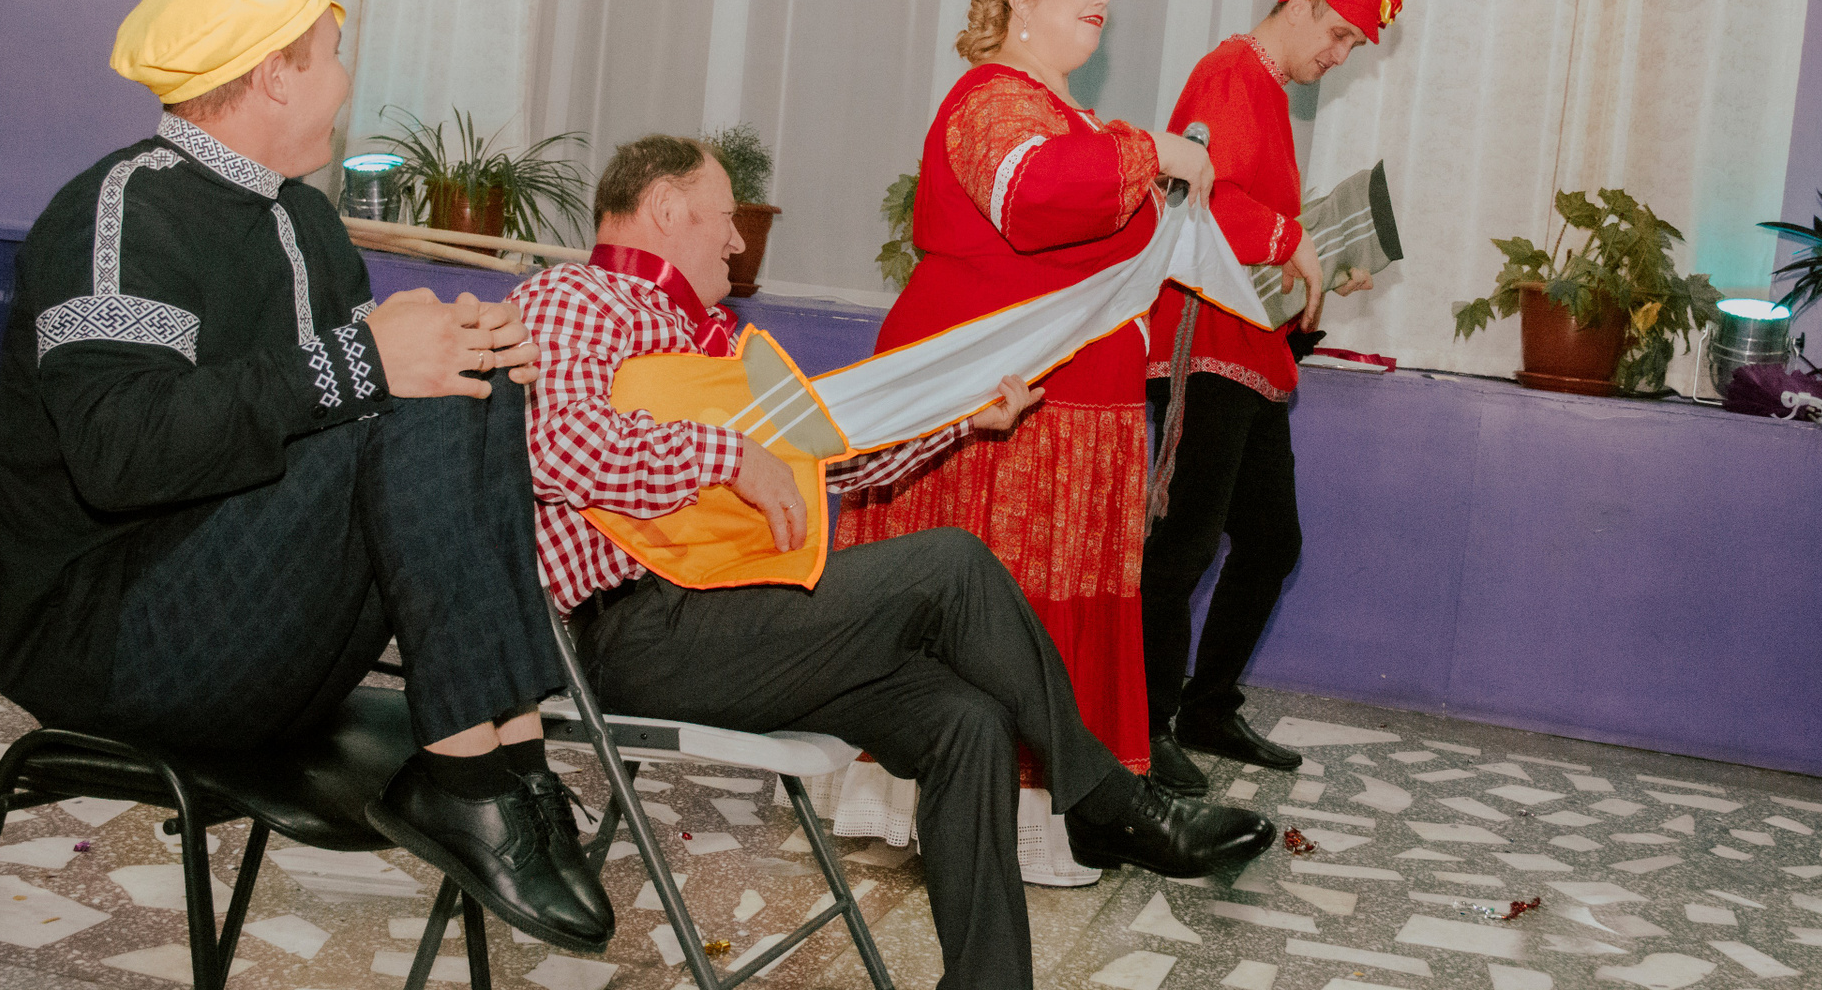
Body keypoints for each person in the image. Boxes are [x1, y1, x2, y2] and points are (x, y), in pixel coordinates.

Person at [0, 0, 615, 952]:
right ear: (277, 74)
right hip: (114, 647)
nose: (345, 80)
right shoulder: (119, 211)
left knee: (465, 375)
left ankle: (510, 767)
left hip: (263, 640)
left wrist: (459, 349)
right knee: (410, 386)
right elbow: (120, 449)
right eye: (331, 56)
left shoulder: (307, 223)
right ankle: (469, 781)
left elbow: (340, 421)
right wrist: (367, 360)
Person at [513, 134, 1271, 990]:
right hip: (633, 634)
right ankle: (1103, 801)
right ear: (663, 208)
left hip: (731, 622)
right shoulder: (574, 298)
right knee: (950, 564)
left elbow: (836, 456)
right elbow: (556, 446)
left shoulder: (719, 343)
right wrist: (730, 457)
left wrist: (964, 420)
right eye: (725, 216)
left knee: (967, 722)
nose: (737, 238)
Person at [830, 0, 1216, 883]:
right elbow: (1033, 196)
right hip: (1000, 406)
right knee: (1002, 604)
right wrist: (1155, 149)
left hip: (1068, 409)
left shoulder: (1075, 118)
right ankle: (986, 812)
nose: (1101, 0)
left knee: (1050, 603)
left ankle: (1076, 806)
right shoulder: (992, 99)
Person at [1140, 0, 1399, 792]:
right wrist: (1294, 241)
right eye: (1339, 34)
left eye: (1352, 45)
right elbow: (1194, 194)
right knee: (1183, 545)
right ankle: (1142, 727)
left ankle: (1207, 707)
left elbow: (1252, 222)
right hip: (1204, 346)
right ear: (1299, 5)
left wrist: (1316, 265)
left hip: (1249, 348)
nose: (1340, 55)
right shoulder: (1229, 72)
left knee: (1269, 541)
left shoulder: (1265, 88)